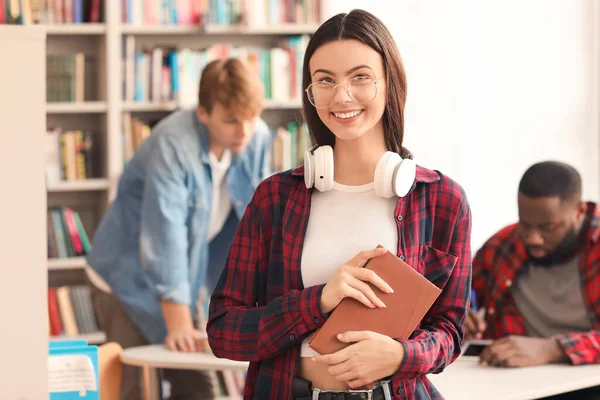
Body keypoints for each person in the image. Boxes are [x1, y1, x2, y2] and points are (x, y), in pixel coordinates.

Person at [207, 9, 472, 400]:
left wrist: (401, 355)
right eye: (325, 81)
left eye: (360, 77)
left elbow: (450, 332)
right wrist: (319, 300)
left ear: (389, 82)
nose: (341, 96)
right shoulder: (275, 198)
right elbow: (225, 332)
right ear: (310, 92)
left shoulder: (442, 201)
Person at [85, 58, 273, 400]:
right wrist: (179, 325)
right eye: (231, 120)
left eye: (251, 117)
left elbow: (259, 219)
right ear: (203, 112)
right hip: (126, 279)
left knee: (198, 388)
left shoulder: (255, 136)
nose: (244, 130)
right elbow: (164, 235)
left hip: (188, 277)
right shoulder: (172, 144)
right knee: (135, 389)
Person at [467, 161, 600, 400]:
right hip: (516, 385)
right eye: (525, 224)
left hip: (589, 384)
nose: (533, 238)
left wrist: (553, 349)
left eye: (548, 227)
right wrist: (459, 314)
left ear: (579, 211)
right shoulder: (503, 245)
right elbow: (459, 296)